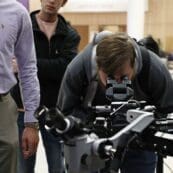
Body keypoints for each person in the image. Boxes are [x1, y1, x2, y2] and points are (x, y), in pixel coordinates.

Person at [57, 32, 173, 173]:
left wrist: (144, 124)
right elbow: (65, 111)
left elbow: (167, 107)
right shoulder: (78, 69)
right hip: (94, 141)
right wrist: (90, 124)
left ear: (134, 64)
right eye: (110, 77)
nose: (117, 84)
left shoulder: (153, 68)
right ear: (98, 66)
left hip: (139, 141)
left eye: (123, 77)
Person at [11, 0, 80, 173]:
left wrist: (26, 65)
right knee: (24, 166)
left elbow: (64, 68)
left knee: (57, 166)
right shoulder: (22, 27)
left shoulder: (70, 35)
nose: (52, 1)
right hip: (23, 108)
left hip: (55, 110)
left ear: (63, 2)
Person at [0, 1, 40, 173]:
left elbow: (28, 68)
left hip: (2, 102)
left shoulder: (16, 13)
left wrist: (31, 123)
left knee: (8, 152)